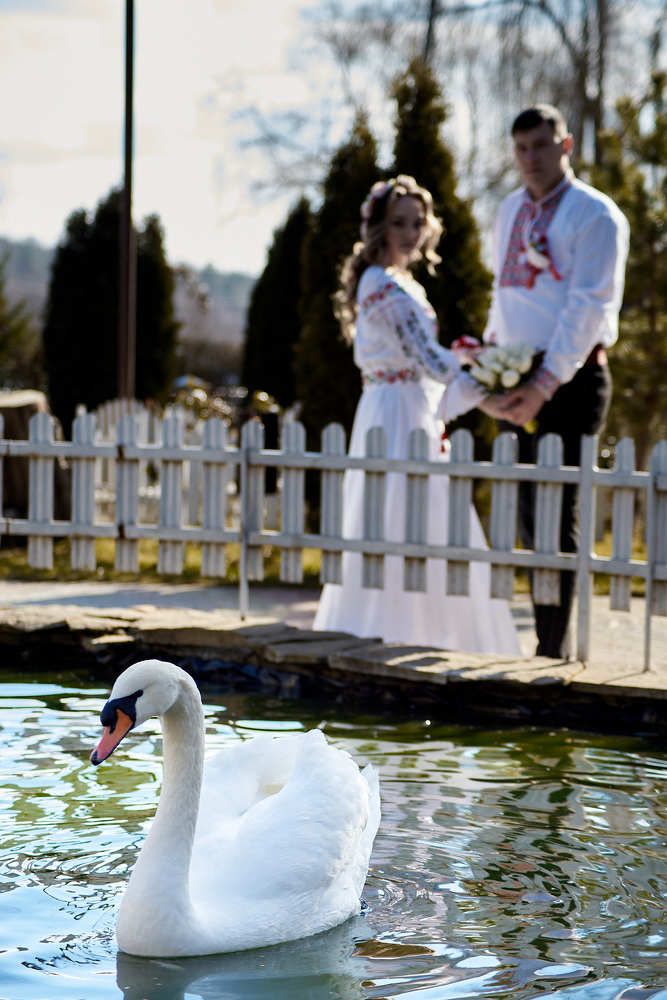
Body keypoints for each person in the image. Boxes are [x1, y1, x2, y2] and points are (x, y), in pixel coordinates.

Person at [313, 175, 520, 655]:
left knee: (426, 515)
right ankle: (387, 630)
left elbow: (426, 361)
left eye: (417, 223)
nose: (409, 233)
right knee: (393, 514)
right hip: (395, 411)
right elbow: (428, 359)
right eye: (398, 223)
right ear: (379, 227)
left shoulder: (401, 282)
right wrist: (485, 380)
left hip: (410, 404)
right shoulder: (381, 283)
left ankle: (429, 632)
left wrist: (471, 367)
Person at [480, 104, 629, 659]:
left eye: (541, 145)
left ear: (565, 145)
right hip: (514, 375)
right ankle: (544, 640)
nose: (530, 158)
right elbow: (504, 294)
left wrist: (543, 384)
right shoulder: (508, 209)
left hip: (571, 378)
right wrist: (489, 362)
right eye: (521, 148)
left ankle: (551, 650)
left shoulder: (596, 215)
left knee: (556, 510)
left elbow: (589, 306)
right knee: (526, 511)